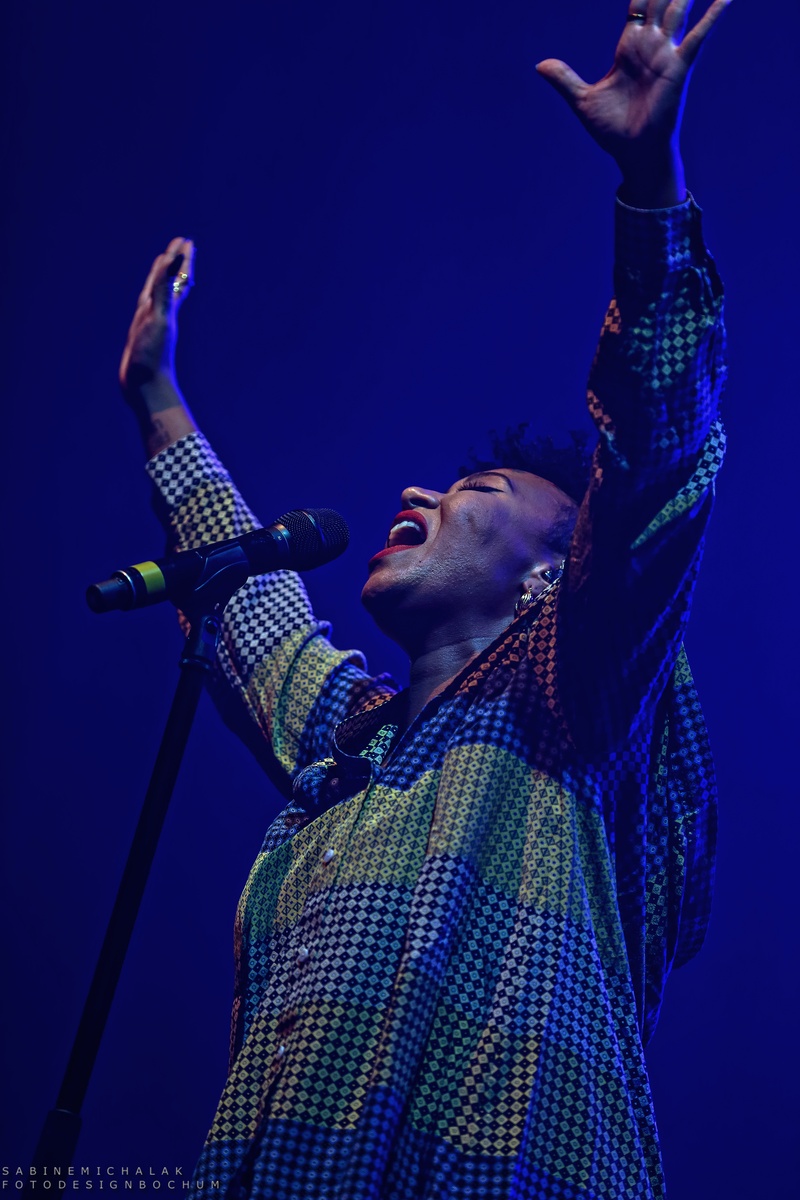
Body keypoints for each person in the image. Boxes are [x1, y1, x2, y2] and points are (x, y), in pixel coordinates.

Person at [119, 2, 730, 1196]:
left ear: (553, 575)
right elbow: (252, 612)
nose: (418, 491)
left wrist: (649, 185)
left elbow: (653, 471)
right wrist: (154, 393)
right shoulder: (349, 744)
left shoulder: (576, 716)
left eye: (474, 490)